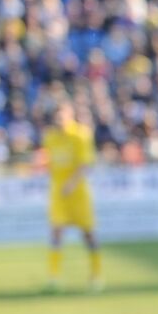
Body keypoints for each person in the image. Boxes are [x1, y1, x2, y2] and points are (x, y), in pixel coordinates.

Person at [42, 99, 102, 291]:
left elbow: (85, 164)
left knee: (88, 234)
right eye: (56, 116)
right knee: (56, 231)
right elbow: (50, 163)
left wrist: (71, 183)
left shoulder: (81, 135)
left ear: (70, 115)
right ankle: (54, 278)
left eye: (63, 115)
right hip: (59, 193)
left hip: (78, 193)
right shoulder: (50, 137)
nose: (59, 119)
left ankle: (96, 276)